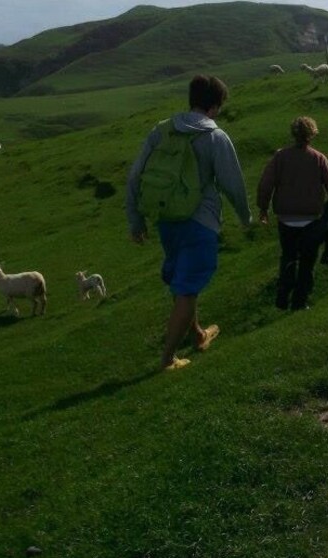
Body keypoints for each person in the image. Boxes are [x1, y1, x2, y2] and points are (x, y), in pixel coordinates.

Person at [125, 75, 252, 370]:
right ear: (214, 106)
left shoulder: (162, 130)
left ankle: (197, 335)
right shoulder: (215, 137)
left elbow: (135, 176)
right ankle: (168, 358)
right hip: (201, 222)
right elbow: (232, 183)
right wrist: (245, 218)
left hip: (167, 219)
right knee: (187, 288)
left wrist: (136, 219)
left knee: (183, 281)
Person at [257, 116, 328, 311]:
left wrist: (263, 208)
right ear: (312, 135)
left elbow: (265, 185)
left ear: (293, 134)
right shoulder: (318, 158)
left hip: (286, 219)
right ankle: (300, 302)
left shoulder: (280, 157)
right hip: (312, 221)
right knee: (307, 261)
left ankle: (282, 295)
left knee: (288, 256)